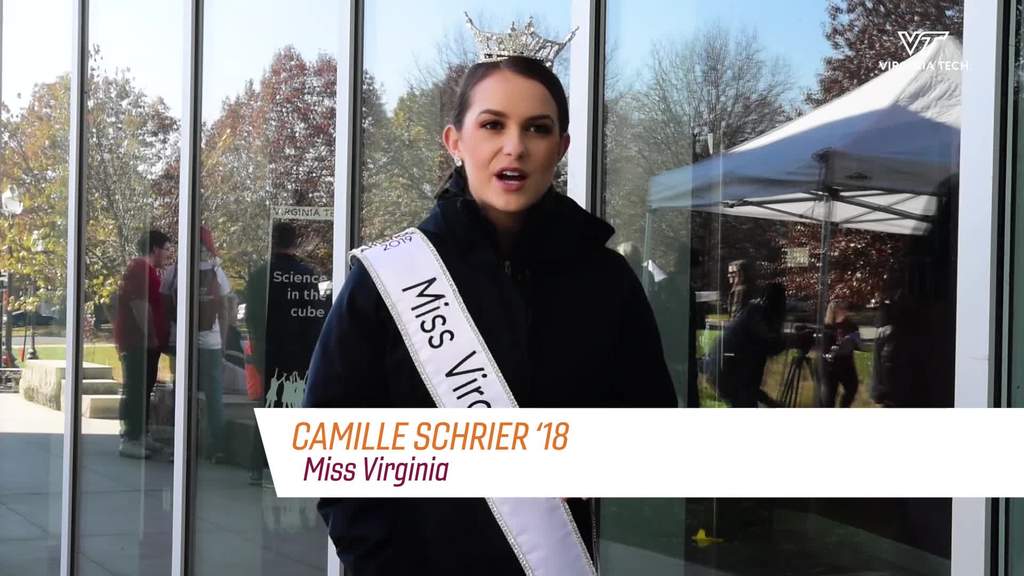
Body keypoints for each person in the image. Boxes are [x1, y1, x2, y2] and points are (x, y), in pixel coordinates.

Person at [304, 17, 676, 575]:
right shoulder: (388, 278)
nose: (514, 147)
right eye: (493, 124)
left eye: (538, 128)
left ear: (563, 146)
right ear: (455, 140)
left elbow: (647, 429)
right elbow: (332, 445)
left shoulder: (605, 282)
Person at [246, 221, 328, 485]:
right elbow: (315, 320)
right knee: (291, 407)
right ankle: (282, 466)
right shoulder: (305, 275)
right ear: (295, 243)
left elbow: (252, 317)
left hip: (268, 350)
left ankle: (257, 466)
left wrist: (258, 347)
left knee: (268, 405)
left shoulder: (260, 275)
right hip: (297, 352)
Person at [114, 229, 171, 459]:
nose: (168, 254)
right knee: (137, 388)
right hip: (139, 342)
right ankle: (130, 437)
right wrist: (151, 335)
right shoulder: (140, 269)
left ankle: (141, 434)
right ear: (155, 248)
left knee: (144, 388)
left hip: (146, 344)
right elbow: (140, 305)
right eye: (166, 249)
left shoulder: (147, 270)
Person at [819, 299, 862, 408]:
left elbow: (857, 343)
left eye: (844, 308)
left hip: (847, 364)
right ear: (833, 311)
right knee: (829, 399)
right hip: (831, 367)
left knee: (852, 388)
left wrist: (853, 341)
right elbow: (826, 349)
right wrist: (836, 347)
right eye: (840, 309)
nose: (844, 311)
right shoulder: (828, 327)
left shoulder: (851, 325)